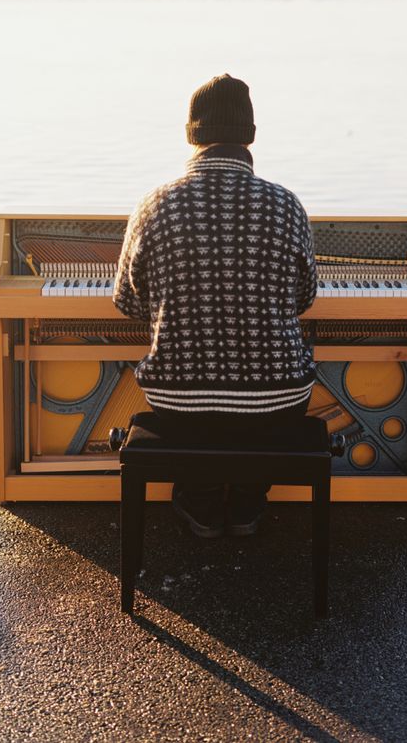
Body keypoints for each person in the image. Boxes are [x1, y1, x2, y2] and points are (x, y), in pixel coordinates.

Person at [112, 73, 317, 537]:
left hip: (179, 400)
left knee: (191, 403)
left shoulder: (153, 205)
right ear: (250, 137)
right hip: (278, 399)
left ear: (192, 135)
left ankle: (199, 501)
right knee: (277, 392)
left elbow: (127, 302)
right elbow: (304, 299)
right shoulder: (287, 205)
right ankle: (247, 501)